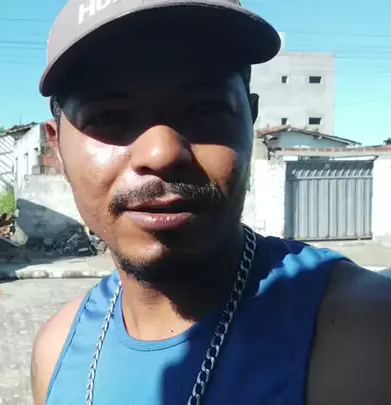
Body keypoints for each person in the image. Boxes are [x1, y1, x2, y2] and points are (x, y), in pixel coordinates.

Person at [30, 1, 391, 404]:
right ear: (57, 148)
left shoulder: (366, 333)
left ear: (250, 121)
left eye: (204, 108)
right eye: (109, 117)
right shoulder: (56, 350)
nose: (161, 153)